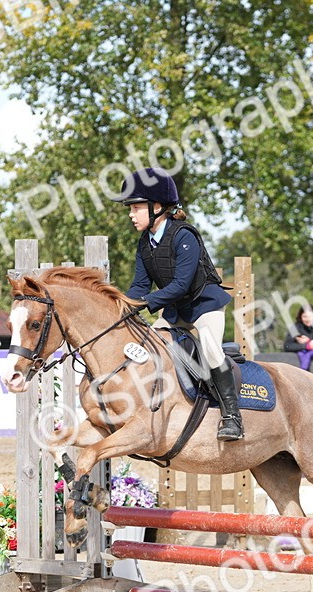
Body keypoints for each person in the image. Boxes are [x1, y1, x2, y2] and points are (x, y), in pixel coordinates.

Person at [118, 168, 242, 442]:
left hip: (204, 305)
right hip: (176, 310)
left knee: (210, 351)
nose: (130, 214)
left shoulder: (185, 235)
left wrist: (146, 303)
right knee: (148, 346)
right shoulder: (145, 242)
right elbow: (141, 285)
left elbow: (181, 286)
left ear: (157, 207)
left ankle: (232, 416)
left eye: (136, 208)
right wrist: (123, 305)